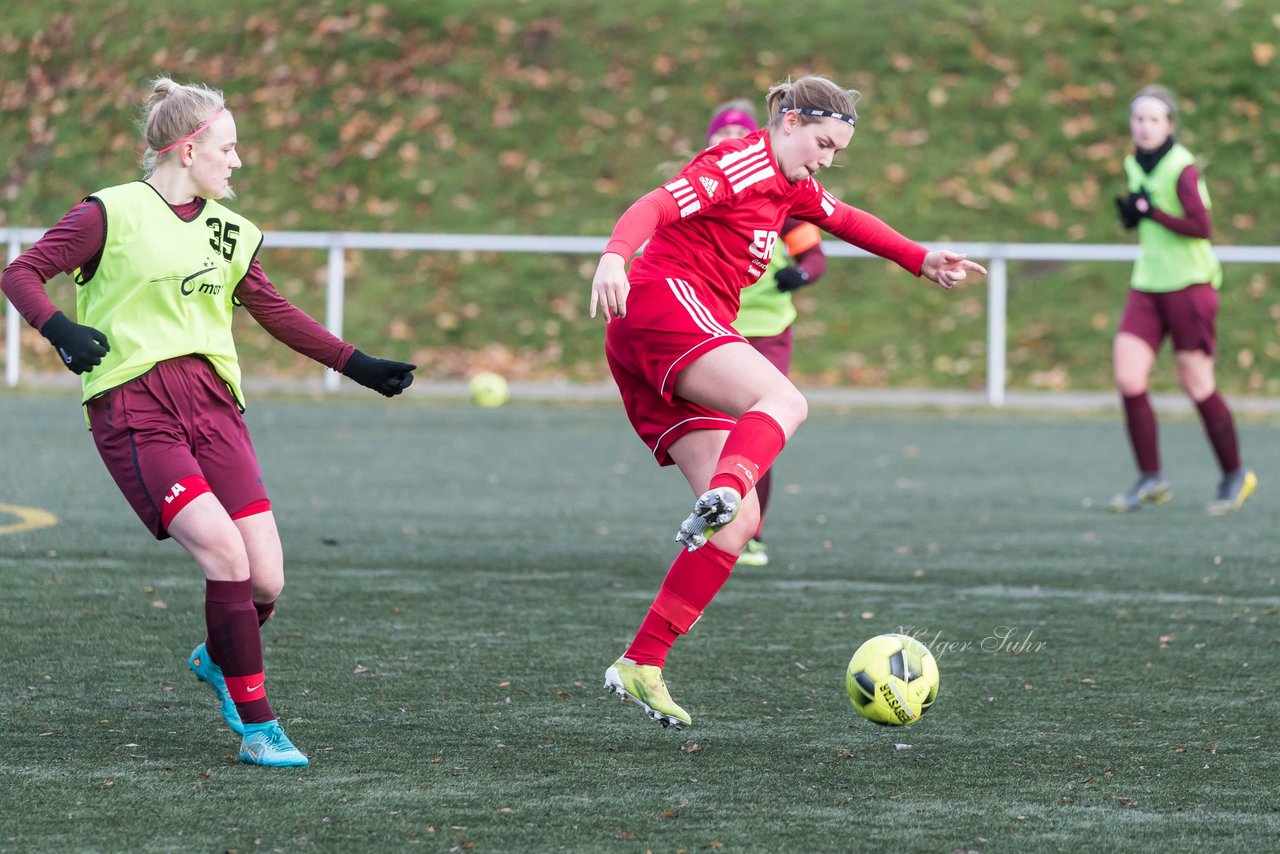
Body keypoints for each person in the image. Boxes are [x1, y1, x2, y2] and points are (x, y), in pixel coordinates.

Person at [0, 78, 416, 767]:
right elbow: (22, 273)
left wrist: (357, 364)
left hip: (215, 408)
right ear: (187, 150)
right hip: (136, 409)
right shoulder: (111, 212)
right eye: (228, 147)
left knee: (267, 581)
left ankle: (220, 652)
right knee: (224, 556)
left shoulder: (230, 229)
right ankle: (258, 726)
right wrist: (60, 328)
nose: (238, 161)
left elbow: (275, 311)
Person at [589, 75, 985, 729]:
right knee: (783, 399)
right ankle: (723, 487)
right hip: (661, 300)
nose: (826, 160)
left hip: (659, 329)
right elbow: (654, 206)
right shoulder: (741, 159)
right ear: (792, 122)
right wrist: (613, 257)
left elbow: (847, 220)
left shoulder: (792, 184)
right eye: (824, 144)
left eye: (837, 152)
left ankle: (641, 663)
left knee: (739, 527)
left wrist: (920, 259)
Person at [1109, 85, 1256, 515]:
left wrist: (1151, 211)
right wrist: (1133, 214)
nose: (1145, 127)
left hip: (1190, 287)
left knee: (1197, 384)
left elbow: (1200, 226)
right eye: (1138, 119)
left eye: (1154, 120)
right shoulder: (1134, 162)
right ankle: (1151, 477)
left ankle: (1235, 473)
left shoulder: (1181, 167)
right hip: (1148, 284)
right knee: (1128, 377)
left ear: (1169, 125)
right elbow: (1145, 212)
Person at [705, 99, 828, 569]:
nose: (729, 143)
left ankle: (751, 531)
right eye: (721, 137)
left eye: (737, 134)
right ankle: (717, 521)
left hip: (768, 331)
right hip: (713, 324)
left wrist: (799, 275)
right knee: (713, 435)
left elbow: (814, 258)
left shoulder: (781, 199)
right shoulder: (709, 190)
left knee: (756, 428)